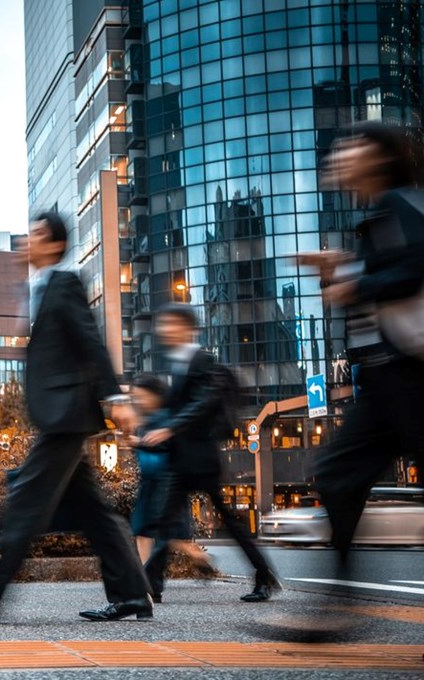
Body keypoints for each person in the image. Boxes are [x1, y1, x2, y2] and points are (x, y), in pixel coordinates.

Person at [0, 212, 152, 621]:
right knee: (94, 512)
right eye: (29, 233)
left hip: (67, 414)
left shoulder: (64, 283)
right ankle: (132, 595)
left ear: (56, 245)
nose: (29, 240)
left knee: (26, 502)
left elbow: (90, 341)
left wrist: (114, 396)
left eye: (38, 234)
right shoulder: (36, 288)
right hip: (59, 413)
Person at [276, 122, 424, 640]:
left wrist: (353, 281)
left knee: (338, 475)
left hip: (412, 375)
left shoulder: (403, 204)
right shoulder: (379, 217)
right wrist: (341, 271)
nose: (337, 157)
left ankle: (335, 610)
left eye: (349, 148)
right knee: (337, 475)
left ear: (380, 156)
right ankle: (336, 609)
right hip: (384, 382)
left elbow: (414, 269)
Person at [140, 303, 277, 603]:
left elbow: (203, 403)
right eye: (163, 324)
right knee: (164, 523)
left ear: (189, 328)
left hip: (201, 458)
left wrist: (170, 428)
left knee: (228, 522)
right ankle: (151, 584)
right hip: (183, 459)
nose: (165, 329)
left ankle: (264, 576)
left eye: (171, 323)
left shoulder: (202, 360)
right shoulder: (179, 363)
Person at [127, 373, 213, 603]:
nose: (139, 401)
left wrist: (140, 442)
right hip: (148, 483)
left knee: (167, 534)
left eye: (142, 396)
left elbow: (167, 446)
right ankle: (147, 584)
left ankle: (195, 557)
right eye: (135, 397)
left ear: (156, 395)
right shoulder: (144, 421)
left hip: (167, 483)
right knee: (142, 532)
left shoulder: (168, 418)